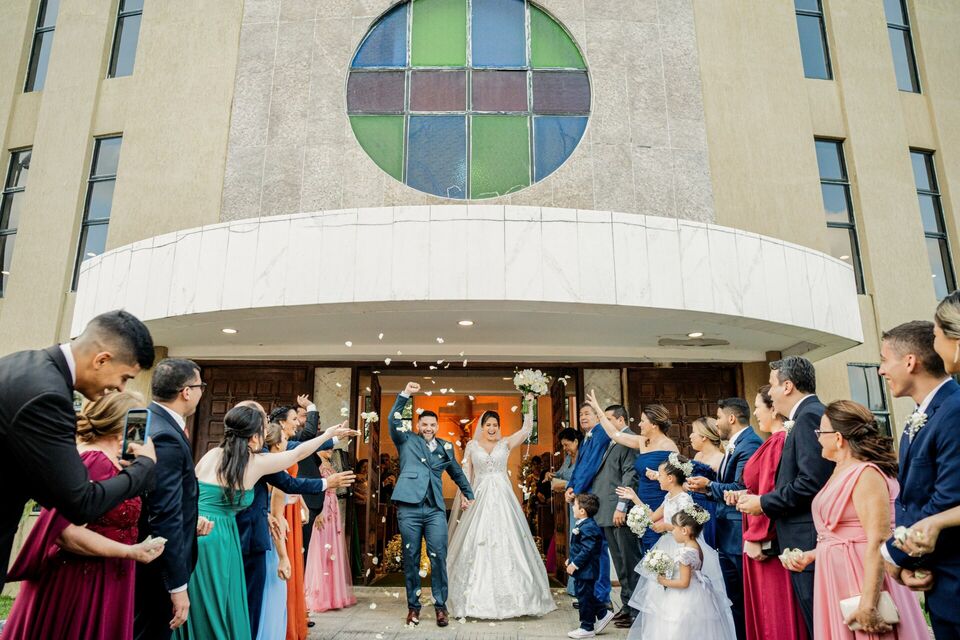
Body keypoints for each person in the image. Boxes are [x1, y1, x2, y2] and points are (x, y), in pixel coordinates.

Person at [0, 309, 157, 588]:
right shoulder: (47, 396)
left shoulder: (22, 363)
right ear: (101, 360)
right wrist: (143, 468)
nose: (121, 389)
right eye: (124, 377)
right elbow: (81, 504)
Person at [173, 404, 357, 640]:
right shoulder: (254, 462)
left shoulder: (211, 455)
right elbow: (297, 455)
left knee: (203, 603)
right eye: (263, 429)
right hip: (220, 540)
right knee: (222, 607)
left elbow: (189, 495)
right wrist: (327, 436)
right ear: (253, 436)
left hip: (197, 535)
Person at [3, 391, 165, 640]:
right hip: (83, 579)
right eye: (139, 425)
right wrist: (130, 552)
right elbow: (66, 533)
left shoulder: (111, 461)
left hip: (107, 574)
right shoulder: (94, 460)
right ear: (122, 425)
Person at [782, 401, 929, 638]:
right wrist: (814, 554)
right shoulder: (840, 470)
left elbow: (878, 538)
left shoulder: (866, 473)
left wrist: (868, 604)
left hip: (862, 577)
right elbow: (847, 532)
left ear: (838, 438)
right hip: (836, 575)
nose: (818, 439)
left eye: (821, 432)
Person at [234, 401, 353, 638]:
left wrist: (331, 437)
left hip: (269, 517)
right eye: (294, 419)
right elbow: (288, 480)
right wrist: (326, 482)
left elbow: (301, 449)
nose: (297, 424)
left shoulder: (267, 449)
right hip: (260, 524)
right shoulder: (263, 456)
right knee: (258, 586)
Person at [737, 356, 833, 635]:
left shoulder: (809, 417)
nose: (770, 391)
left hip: (806, 537)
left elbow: (811, 482)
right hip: (801, 538)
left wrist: (763, 502)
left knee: (819, 625)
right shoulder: (805, 417)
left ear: (788, 386)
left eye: (772, 384)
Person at [877, 318, 960, 638]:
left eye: (885, 360)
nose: (881, 370)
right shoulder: (921, 415)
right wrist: (912, 562)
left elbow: (947, 499)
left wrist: (893, 556)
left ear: (910, 362)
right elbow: (910, 500)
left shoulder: (953, 411)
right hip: (937, 577)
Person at [445, 400, 556, 619]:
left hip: (503, 497)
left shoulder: (505, 443)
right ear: (482, 426)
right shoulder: (472, 446)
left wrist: (529, 403)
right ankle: (472, 597)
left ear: (499, 426)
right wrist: (466, 496)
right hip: (479, 496)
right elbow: (466, 473)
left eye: (495, 425)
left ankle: (518, 597)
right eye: (488, 425)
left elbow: (526, 429)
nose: (492, 428)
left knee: (509, 538)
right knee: (477, 539)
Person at [388, 381, 474, 628]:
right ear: (418, 426)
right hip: (409, 508)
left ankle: (440, 607)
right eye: (424, 424)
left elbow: (456, 472)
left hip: (435, 509)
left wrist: (468, 493)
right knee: (411, 557)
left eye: (432, 425)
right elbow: (393, 420)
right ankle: (413, 608)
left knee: (438, 556)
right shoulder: (406, 440)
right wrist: (405, 394)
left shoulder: (446, 446)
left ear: (437, 426)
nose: (428, 428)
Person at [134, 358, 210, 640]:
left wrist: (191, 520)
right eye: (201, 386)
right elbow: (163, 512)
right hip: (154, 563)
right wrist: (176, 585)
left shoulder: (140, 418)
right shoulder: (167, 435)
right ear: (186, 392)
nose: (202, 392)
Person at [734, 385, 808, 640]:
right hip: (758, 524)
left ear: (773, 409)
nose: (754, 413)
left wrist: (758, 537)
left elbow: (770, 489)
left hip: (766, 537)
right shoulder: (773, 441)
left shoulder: (777, 443)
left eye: (757, 407)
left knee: (773, 609)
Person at [687, 398, 761, 640]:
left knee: (744, 598)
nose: (716, 423)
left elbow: (741, 488)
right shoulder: (735, 444)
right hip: (726, 532)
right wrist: (705, 489)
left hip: (738, 532)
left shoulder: (749, 445)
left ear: (731, 418)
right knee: (735, 599)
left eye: (718, 417)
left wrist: (709, 485)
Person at [628, 505, 736, 640]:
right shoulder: (696, 546)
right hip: (700, 593)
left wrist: (664, 581)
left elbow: (684, 583)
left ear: (684, 530)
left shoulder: (684, 553)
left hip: (685, 598)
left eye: (674, 528)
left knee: (678, 629)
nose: (672, 532)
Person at [582, 394, 642, 628]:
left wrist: (621, 507)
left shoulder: (629, 441)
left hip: (619, 512)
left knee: (629, 562)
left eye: (607, 419)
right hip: (606, 511)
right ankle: (626, 606)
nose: (604, 424)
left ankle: (635, 610)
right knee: (619, 563)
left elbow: (629, 475)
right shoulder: (611, 442)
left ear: (620, 420)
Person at [593, 401, 679, 552]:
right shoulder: (642, 442)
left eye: (643, 421)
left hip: (659, 500)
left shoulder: (669, 446)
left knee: (661, 548)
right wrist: (598, 410)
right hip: (641, 500)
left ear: (654, 424)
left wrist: (658, 475)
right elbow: (614, 434)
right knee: (646, 549)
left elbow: (677, 478)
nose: (639, 424)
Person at [564, 402, 614, 609]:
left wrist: (577, 490)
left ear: (597, 416)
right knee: (588, 546)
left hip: (595, 497)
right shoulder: (586, 438)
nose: (583, 417)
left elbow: (592, 465)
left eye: (587, 413)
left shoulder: (601, 433)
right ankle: (590, 595)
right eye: (581, 414)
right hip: (585, 495)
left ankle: (602, 597)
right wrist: (570, 486)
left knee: (598, 547)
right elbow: (579, 467)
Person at [304, 447, 357, 613]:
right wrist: (317, 512)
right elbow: (311, 488)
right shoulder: (314, 464)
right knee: (321, 548)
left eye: (331, 448)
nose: (331, 450)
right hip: (322, 505)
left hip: (333, 505)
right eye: (327, 447)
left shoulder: (329, 462)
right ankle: (319, 593)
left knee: (332, 549)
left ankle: (333, 594)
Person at [565, 493, 615, 639]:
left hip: (587, 570)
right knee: (586, 595)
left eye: (574, 505)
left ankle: (587, 627)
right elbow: (580, 548)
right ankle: (603, 613)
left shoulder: (589, 527)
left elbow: (587, 549)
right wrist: (571, 559)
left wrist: (575, 564)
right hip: (584, 570)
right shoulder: (584, 524)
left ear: (582, 511)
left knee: (584, 599)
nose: (572, 507)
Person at [552, 427, 582, 597]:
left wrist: (564, 485)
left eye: (566, 445)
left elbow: (580, 478)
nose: (565, 448)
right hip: (571, 504)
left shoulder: (583, 457)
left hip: (581, 502)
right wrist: (551, 475)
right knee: (573, 540)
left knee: (581, 540)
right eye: (563, 445)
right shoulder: (569, 458)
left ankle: (580, 586)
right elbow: (561, 474)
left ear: (576, 441)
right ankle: (573, 586)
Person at [687, 416, 723, 546]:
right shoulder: (698, 456)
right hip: (693, 507)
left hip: (709, 509)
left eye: (693, 432)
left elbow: (723, 488)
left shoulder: (720, 459)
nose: (690, 436)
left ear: (704, 437)